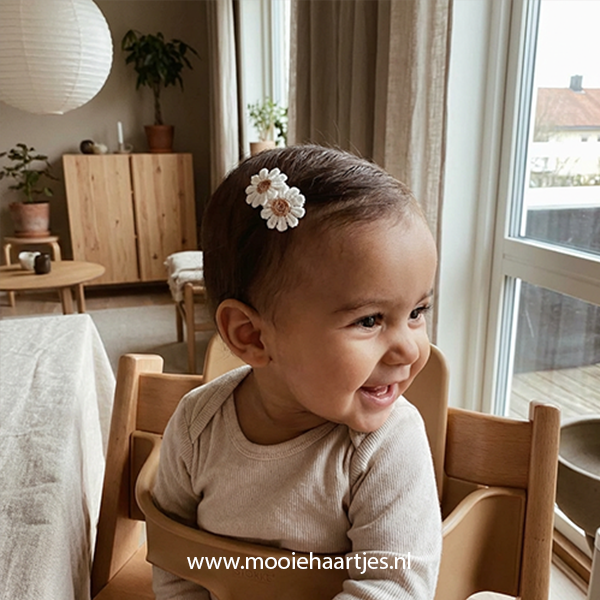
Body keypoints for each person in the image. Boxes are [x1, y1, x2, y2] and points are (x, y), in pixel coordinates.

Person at [153, 145, 442, 599]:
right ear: (251, 335)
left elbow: (391, 587)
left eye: (417, 312)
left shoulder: (389, 442)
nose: (409, 347)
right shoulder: (196, 426)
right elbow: (176, 560)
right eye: (369, 320)